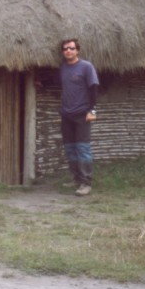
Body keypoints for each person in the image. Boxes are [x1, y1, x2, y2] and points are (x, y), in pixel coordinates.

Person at [57, 38, 99, 196]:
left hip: (82, 114)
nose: (68, 51)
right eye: (65, 48)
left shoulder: (86, 67)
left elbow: (94, 88)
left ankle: (86, 183)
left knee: (82, 148)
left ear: (77, 50)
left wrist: (92, 110)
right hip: (66, 114)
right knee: (70, 149)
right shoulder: (63, 68)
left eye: (71, 48)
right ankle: (76, 178)